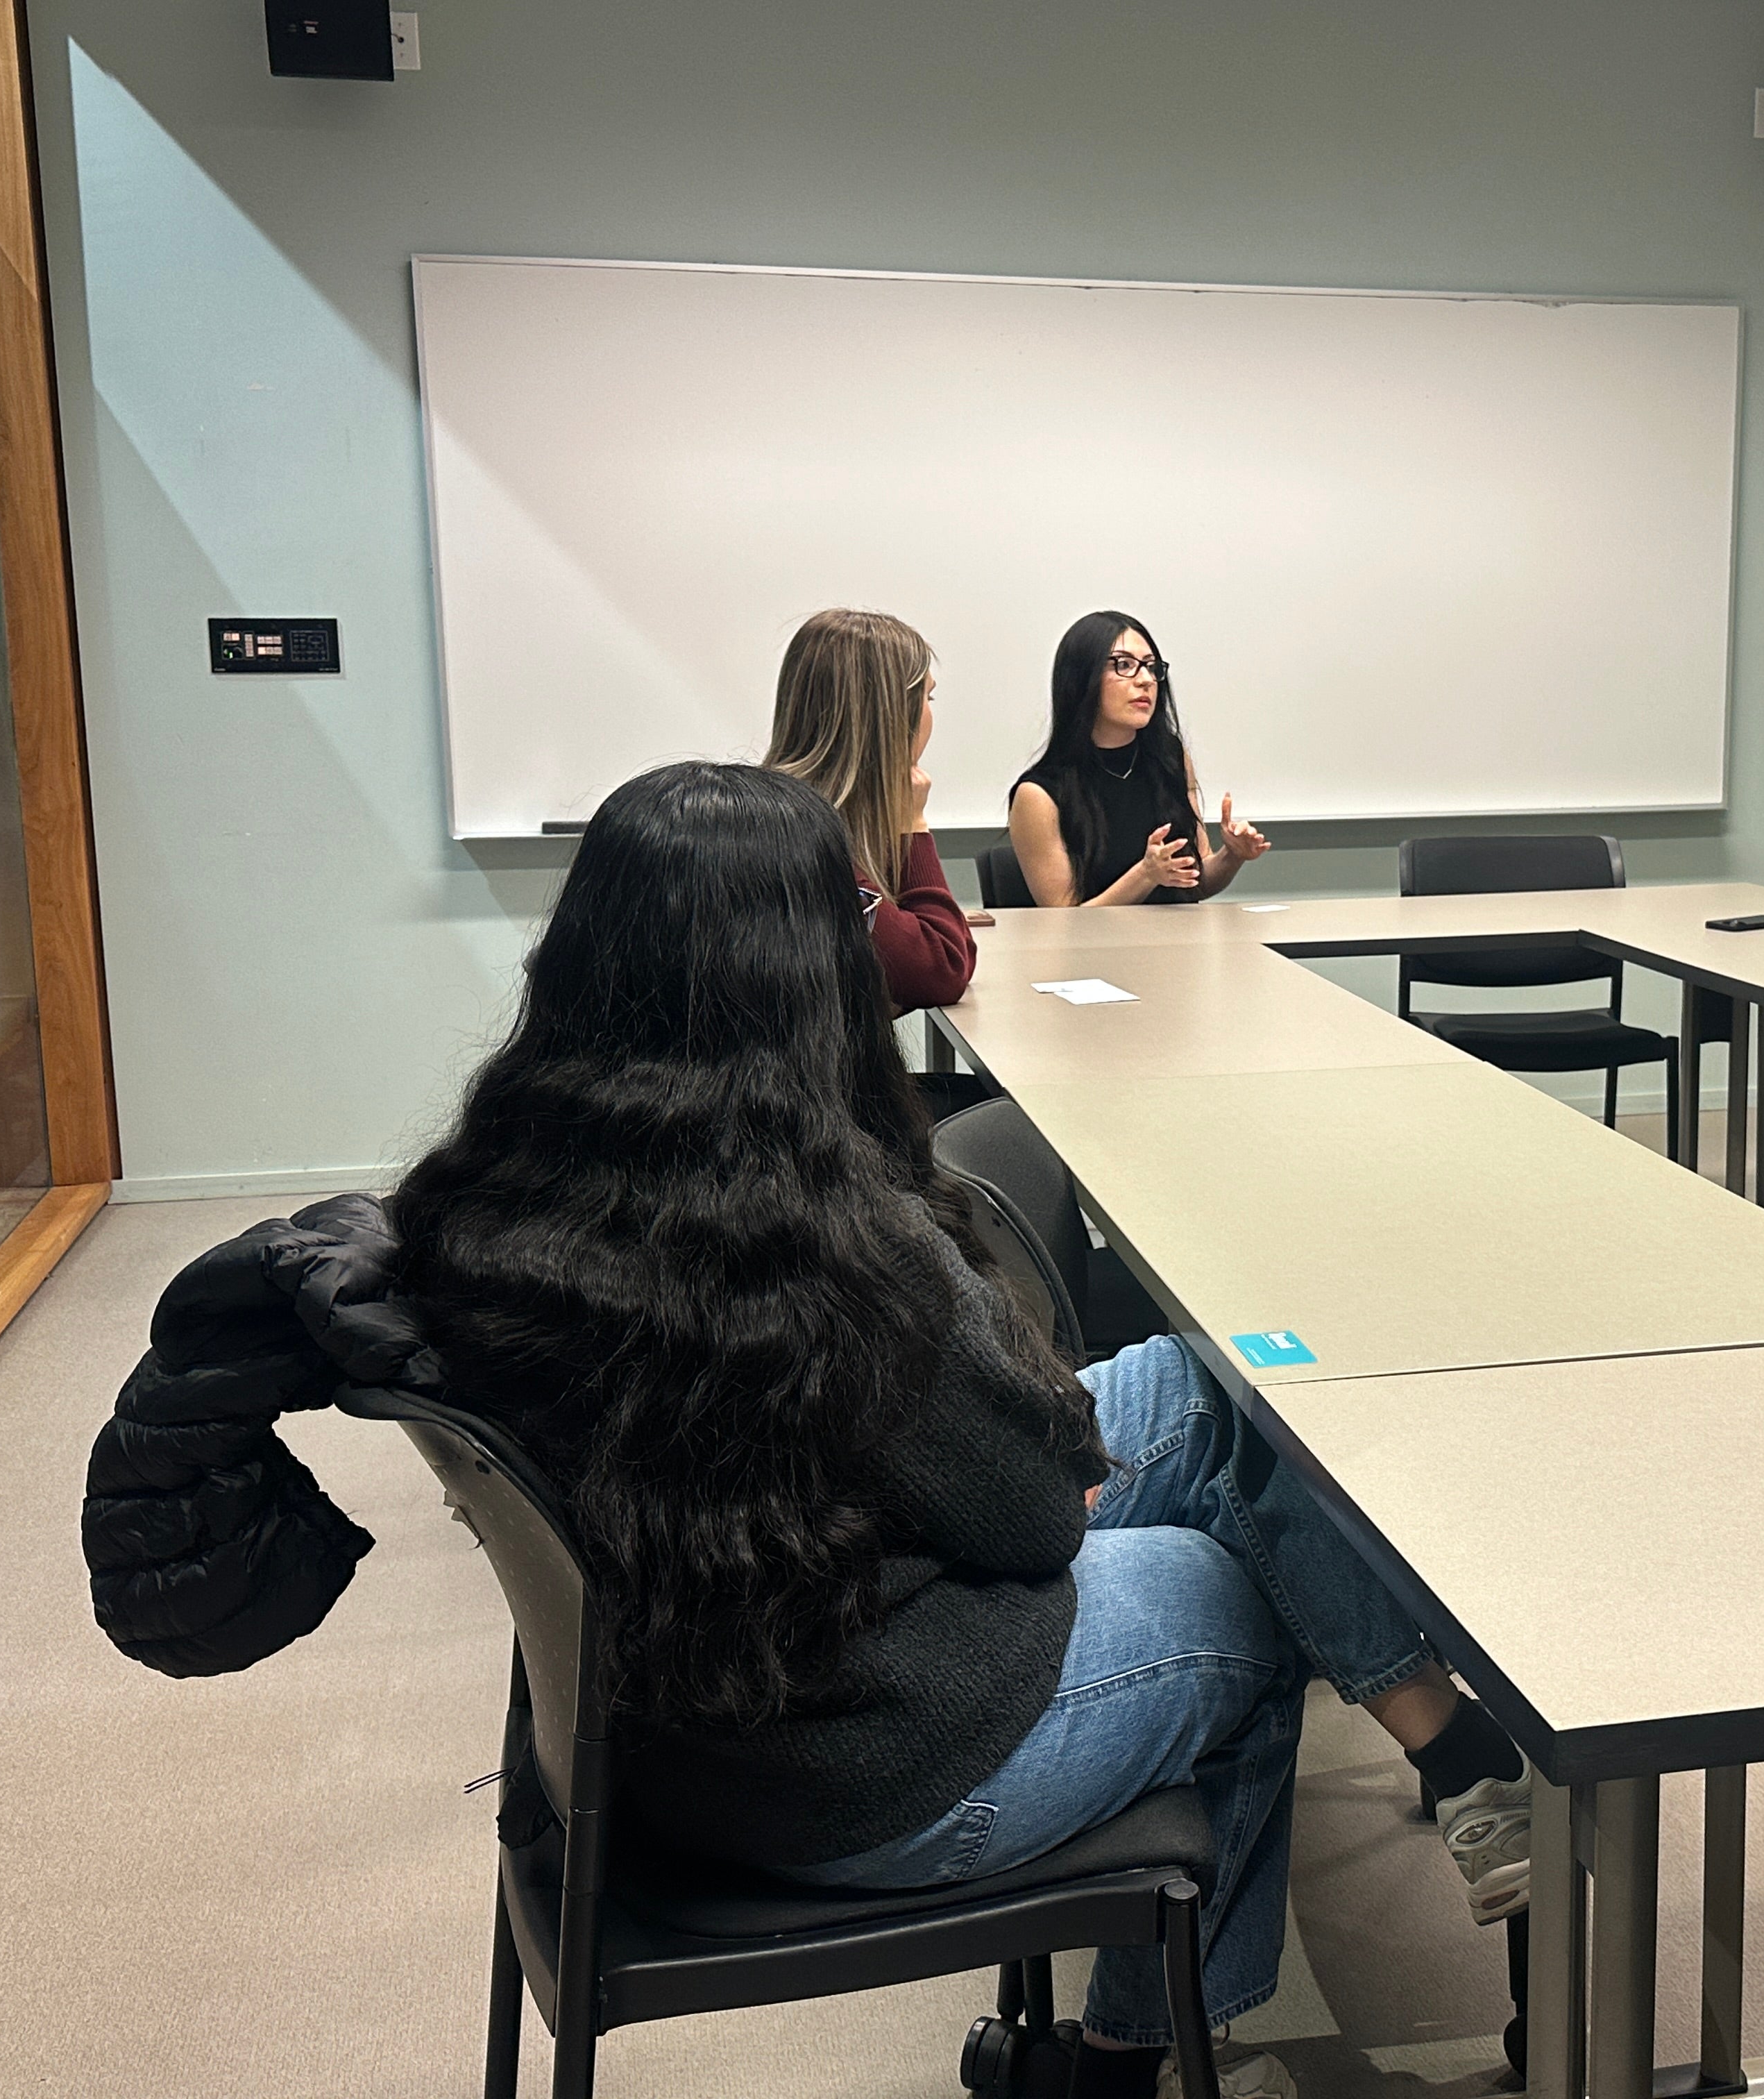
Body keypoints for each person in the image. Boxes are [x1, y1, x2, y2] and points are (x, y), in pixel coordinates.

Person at [389, 761, 1525, 2099]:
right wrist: (992, 1355)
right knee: (1237, 1595)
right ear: (804, 967)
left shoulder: (497, 1195)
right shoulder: (813, 1236)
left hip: (679, 1708)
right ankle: (1132, 2060)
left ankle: (1451, 1750)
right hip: (851, 1759)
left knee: (1209, 1382)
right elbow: (1035, 1515)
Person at [763, 607, 976, 1012]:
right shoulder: (806, 840)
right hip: (808, 1079)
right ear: (892, 716)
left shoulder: (775, 813)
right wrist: (911, 825)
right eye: (927, 697)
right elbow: (944, 968)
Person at [1008, 612, 1271, 907]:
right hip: (1094, 952)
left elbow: (1195, 883)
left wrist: (1232, 855)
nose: (1146, 680)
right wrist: (1145, 875)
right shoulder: (1039, 795)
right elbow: (1065, 923)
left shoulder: (1170, 759)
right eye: (1124, 665)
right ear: (1082, 678)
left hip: (1179, 946)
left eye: (1150, 667)